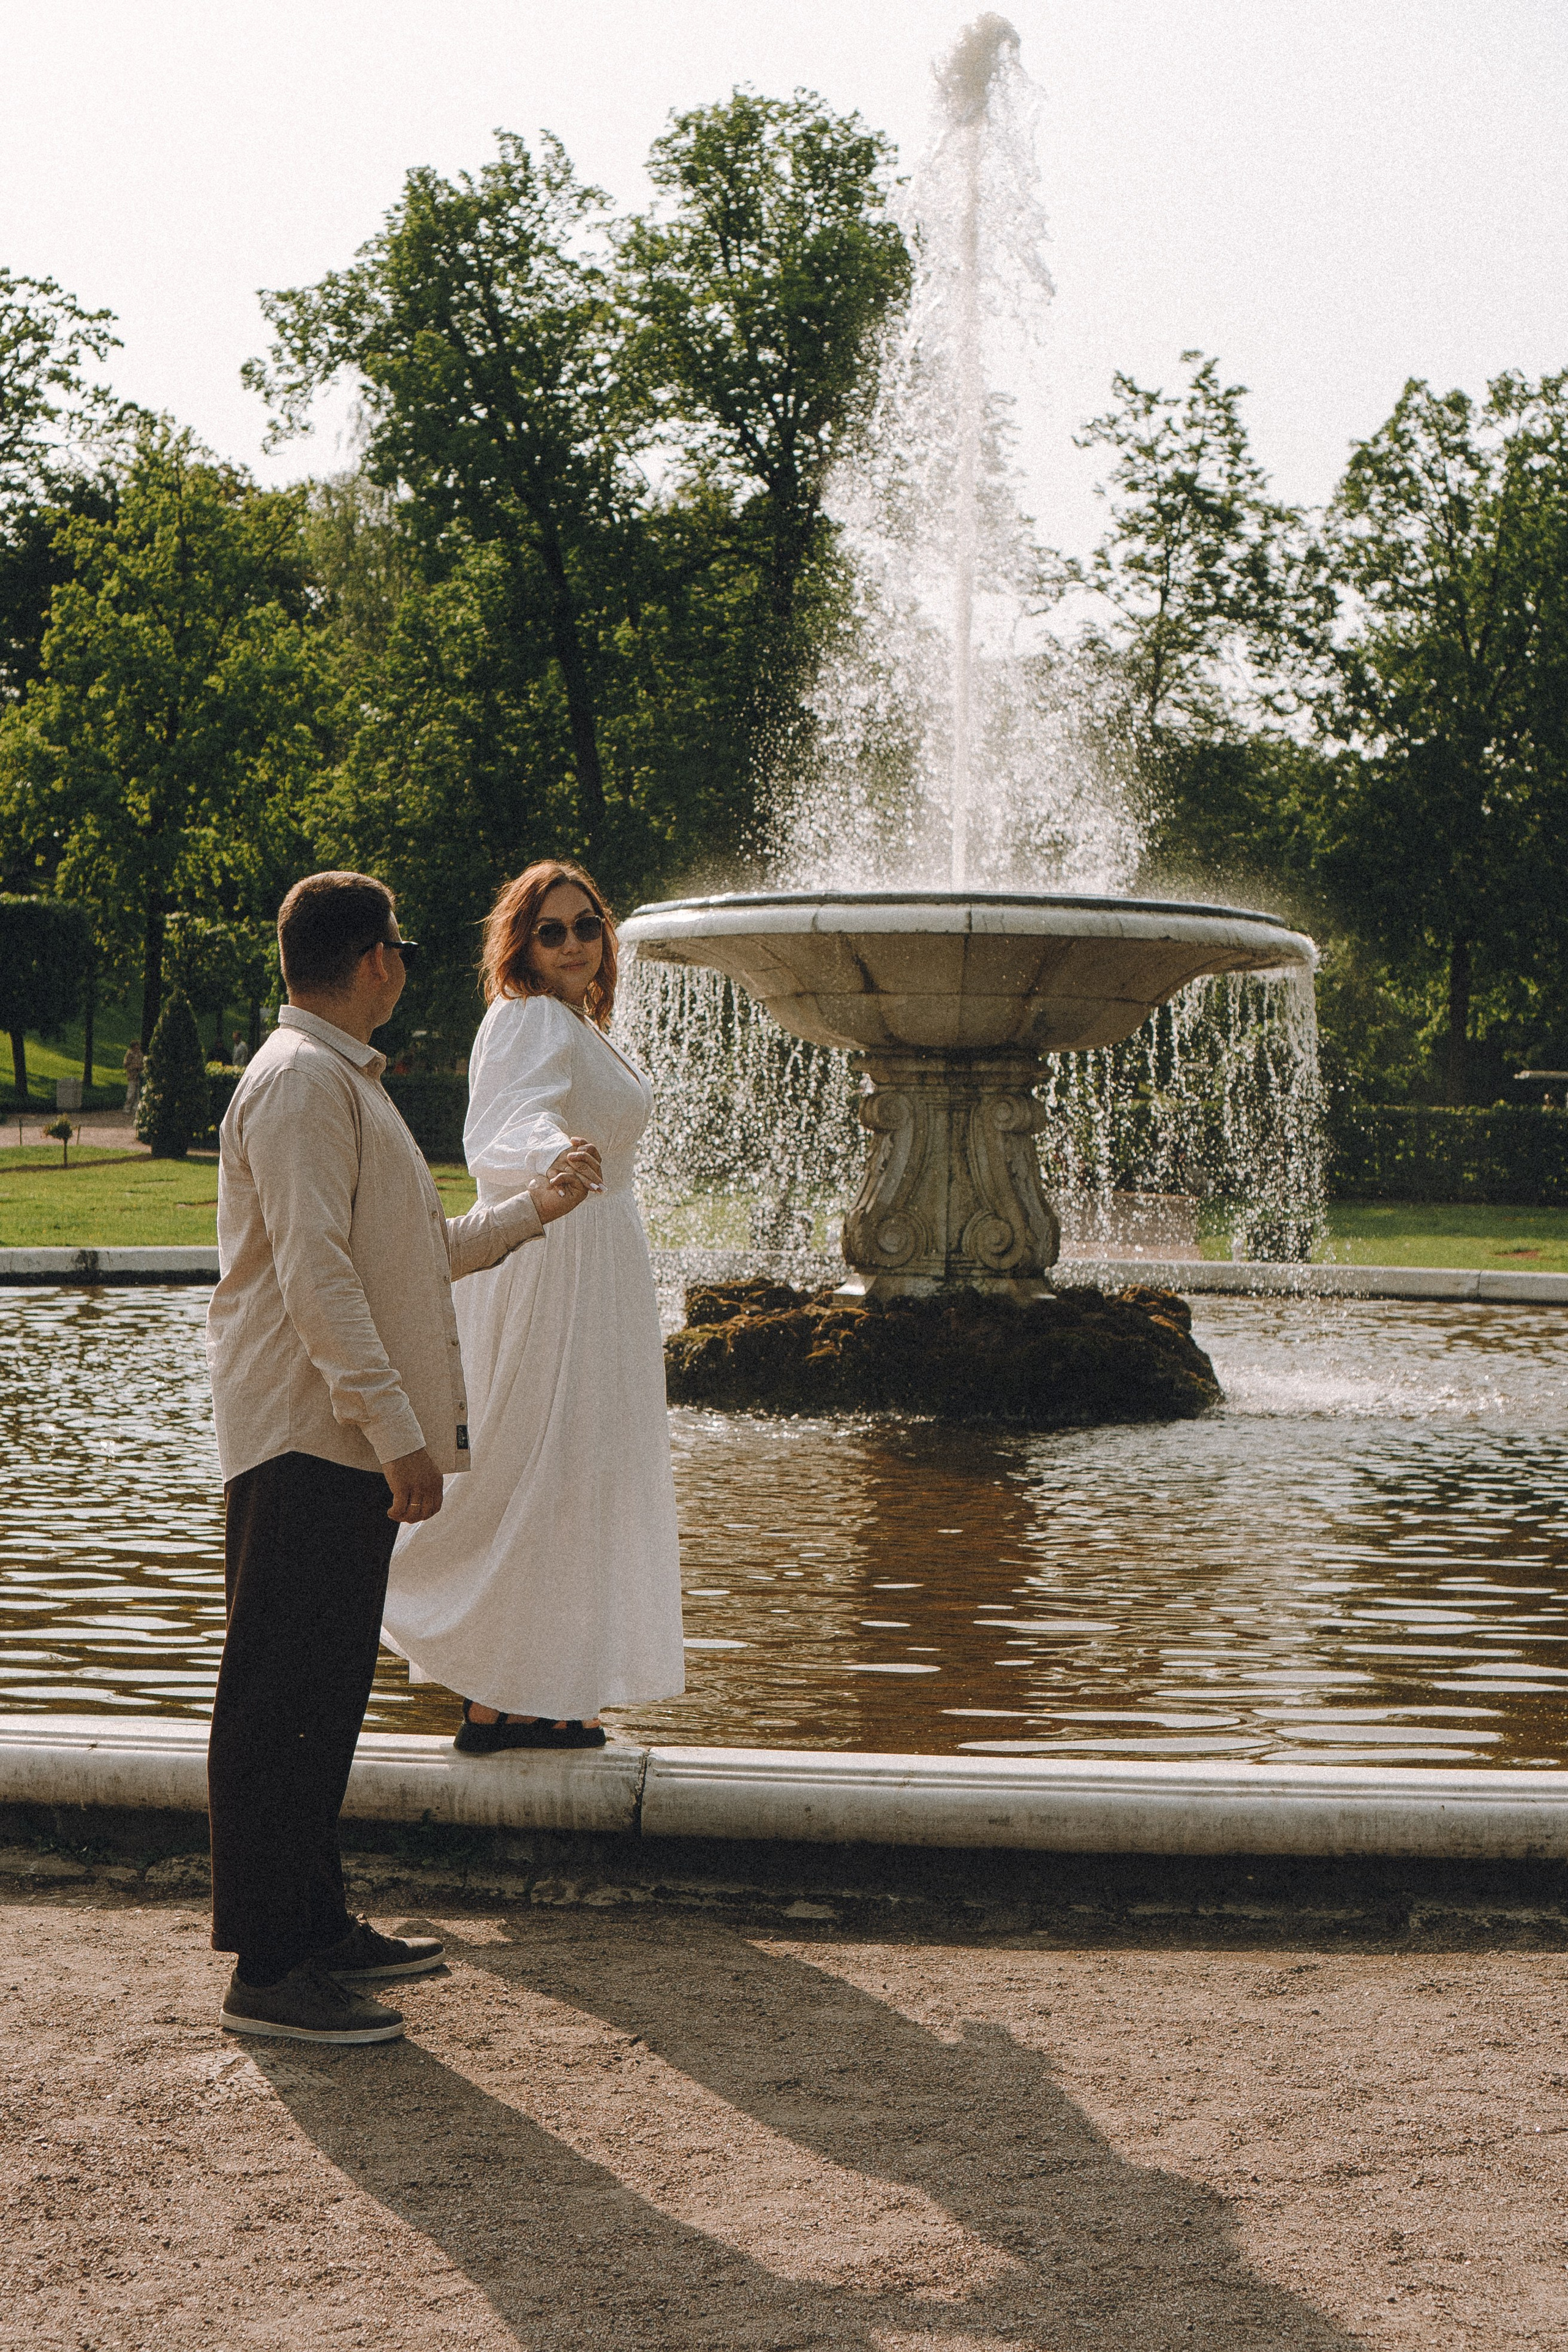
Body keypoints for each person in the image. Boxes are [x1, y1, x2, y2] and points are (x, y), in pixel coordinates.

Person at [204, 869, 600, 2046]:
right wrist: (396, 1434)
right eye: (402, 949)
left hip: (335, 1438)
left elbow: (413, 1253)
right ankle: (268, 1968)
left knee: (322, 1693)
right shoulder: (298, 1087)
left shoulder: (339, 1082)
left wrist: (537, 1208)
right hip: (306, 1435)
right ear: (374, 958)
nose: (406, 967)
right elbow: (318, 1280)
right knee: (279, 1698)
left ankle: (315, 1924)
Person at [381, 859, 685, 1752]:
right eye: (551, 931)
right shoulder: (525, 1017)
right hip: (560, 1254)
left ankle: (544, 1690)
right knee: (537, 1466)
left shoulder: (577, 1023)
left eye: (586, 925)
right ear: (522, 944)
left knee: (579, 1471)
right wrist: (555, 1154)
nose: (573, 944)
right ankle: (490, 1694)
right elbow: (508, 1120)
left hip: (601, 1258)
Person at [123, 1039, 145, 1121]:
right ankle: (127, 1108)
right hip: (132, 1076)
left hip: (139, 1075)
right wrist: (133, 1067)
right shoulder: (130, 1054)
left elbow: (143, 1064)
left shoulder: (140, 1054)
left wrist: (140, 1067)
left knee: (138, 1093)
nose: (137, 1048)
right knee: (131, 1093)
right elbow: (126, 1065)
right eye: (136, 1047)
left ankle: (136, 1108)